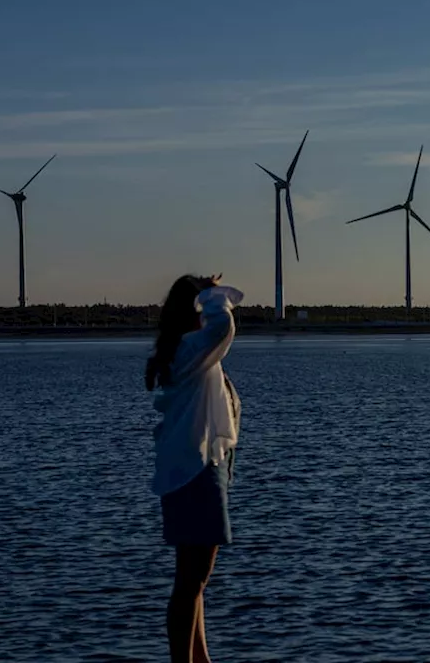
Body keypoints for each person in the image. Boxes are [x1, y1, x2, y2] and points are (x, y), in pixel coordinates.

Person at [145, 274, 244, 663]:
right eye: (200, 307)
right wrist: (212, 293)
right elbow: (225, 326)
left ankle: (199, 658)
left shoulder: (185, 353)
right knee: (192, 581)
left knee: (193, 582)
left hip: (195, 474)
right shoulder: (191, 350)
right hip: (195, 476)